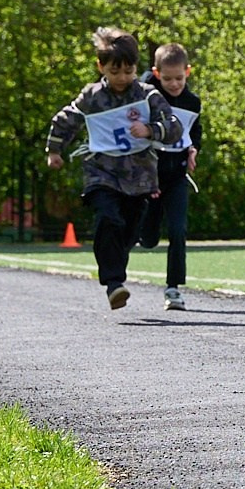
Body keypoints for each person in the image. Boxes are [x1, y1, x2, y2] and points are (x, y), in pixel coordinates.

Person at [46, 27, 183, 309]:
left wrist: (150, 130)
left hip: (140, 178)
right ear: (101, 67)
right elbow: (65, 120)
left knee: (128, 233)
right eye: (114, 71)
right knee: (108, 219)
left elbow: (174, 127)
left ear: (136, 68)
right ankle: (113, 283)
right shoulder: (92, 97)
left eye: (128, 71)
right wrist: (54, 150)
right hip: (102, 173)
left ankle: (115, 271)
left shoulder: (148, 95)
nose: (122, 78)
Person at [137, 43, 200, 310]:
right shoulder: (147, 96)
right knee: (149, 239)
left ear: (188, 72)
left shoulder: (192, 102)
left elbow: (195, 131)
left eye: (179, 78)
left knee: (178, 228)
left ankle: (173, 288)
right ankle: (143, 232)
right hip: (150, 177)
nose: (174, 84)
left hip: (176, 175)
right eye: (167, 79)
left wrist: (194, 148)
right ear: (156, 73)